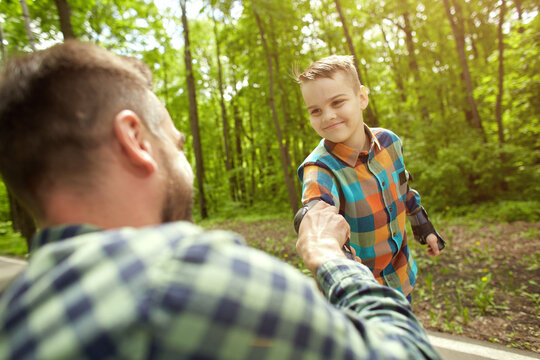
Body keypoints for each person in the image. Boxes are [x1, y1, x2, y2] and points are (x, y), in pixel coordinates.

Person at [0, 41, 440, 359]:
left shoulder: (16, 314)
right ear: (135, 139)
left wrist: (421, 225)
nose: (184, 158)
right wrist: (330, 256)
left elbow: (404, 190)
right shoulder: (183, 276)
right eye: (176, 143)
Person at [296, 55, 444, 298]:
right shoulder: (320, 169)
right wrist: (345, 279)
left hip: (400, 274)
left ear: (361, 97)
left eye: (337, 102)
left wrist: (424, 227)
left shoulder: (389, 142)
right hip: (359, 291)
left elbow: (403, 190)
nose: (328, 116)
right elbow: (320, 226)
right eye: (316, 110)